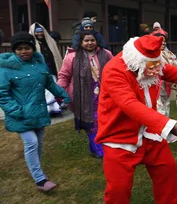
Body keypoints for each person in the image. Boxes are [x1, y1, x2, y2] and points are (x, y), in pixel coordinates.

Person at [95, 34, 177, 204]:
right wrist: (170, 125)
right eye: (151, 67)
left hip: (149, 131)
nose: (156, 71)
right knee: (118, 189)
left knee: (167, 171)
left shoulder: (152, 63)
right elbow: (131, 105)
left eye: (157, 66)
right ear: (137, 61)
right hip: (119, 136)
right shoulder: (114, 71)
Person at [0, 32, 70, 191]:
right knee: (31, 143)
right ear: (14, 50)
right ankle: (40, 179)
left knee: (38, 144)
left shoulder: (40, 65)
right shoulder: (6, 68)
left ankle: (36, 170)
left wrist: (64, 96)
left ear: (33, 48)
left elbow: (50, 85)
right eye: (19, 49)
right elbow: (2, 94)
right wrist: (16, 111)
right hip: (20, 115)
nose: (23, 51)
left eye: (27, 48)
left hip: (38, 112)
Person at [58, 30, 113, 158]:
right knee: (91, 124)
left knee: (102, 122)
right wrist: (60, 92)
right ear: (81, 42)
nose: (90, 43)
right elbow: (64, 76)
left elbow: (116, 70)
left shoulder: (107, 54)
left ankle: (93, 149)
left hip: (103, 95)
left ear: (97, 41)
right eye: (86, 40)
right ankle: (100, 151)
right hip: (82, 98)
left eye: (92, 40)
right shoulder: (72, 57)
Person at [29, 23, 64, 115]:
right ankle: (46, 110)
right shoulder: (32, 44)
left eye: (41, 31)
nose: (40, 33)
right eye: (37, 32)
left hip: (51, 69)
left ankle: (55, 109)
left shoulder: (50, 42)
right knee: (44, 91)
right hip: (39, 72)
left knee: (52, 89)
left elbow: (56, 55)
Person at [155, 32, 177, 118]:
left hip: (167, 85)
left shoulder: (170, 54)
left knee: (166, 105)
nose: (163, 43)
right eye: (161, 41)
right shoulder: (151, 54)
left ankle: (165, 127)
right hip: (154, 86)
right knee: (158, 108)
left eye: (164, 41)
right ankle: (159, 128)